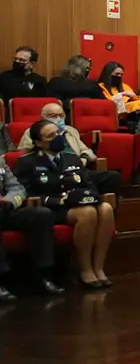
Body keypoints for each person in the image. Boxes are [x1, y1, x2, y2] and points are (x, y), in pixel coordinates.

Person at [16, 119, 115, 289]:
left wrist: (86, 196)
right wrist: (57, 201)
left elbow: (88, 185)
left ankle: (98, 268)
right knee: (87, 212)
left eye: (58, 133)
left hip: (76, 202)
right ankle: (84, 270)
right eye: (51, 136)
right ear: (38, 142)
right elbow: (26, 194)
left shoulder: (71, 158)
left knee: (106, 209)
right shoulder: (27, 162)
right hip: (51, 208)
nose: (57, 137)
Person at [17, 102, 121, 194]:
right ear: (43, 117)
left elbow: (86, 150)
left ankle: (94, 200)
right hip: (51, 172)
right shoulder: (32, 132)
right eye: (53, 116)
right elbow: (26, 155)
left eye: (61, 115)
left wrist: (84, 158)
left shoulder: (71, 131)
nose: (58, 118)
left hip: (76, 168)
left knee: (112, 176)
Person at [0, 158, 63, 300]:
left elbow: (17, 188)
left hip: (5, 209)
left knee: (41, 215)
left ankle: (43, 276)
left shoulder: (0, 162)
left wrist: (9, 201)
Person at [96, 61, 140, 133]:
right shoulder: (100, 87)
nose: (119, 76)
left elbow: (137, 100)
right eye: (116, 74)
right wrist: (122, 94)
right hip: (113, 114)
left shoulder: (124, 86)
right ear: (108, 74)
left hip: (128, 114)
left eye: (121, 74)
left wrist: (133, 96)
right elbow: (108, 102)